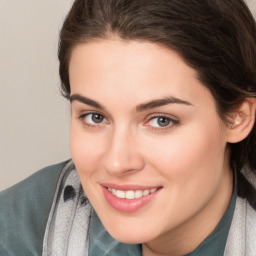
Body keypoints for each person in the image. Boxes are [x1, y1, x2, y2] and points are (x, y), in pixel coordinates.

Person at [1, 0, 256, 255]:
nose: (117, 162)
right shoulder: (18, 229)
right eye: (95, 117)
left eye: (161, 120)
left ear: (239, 117)